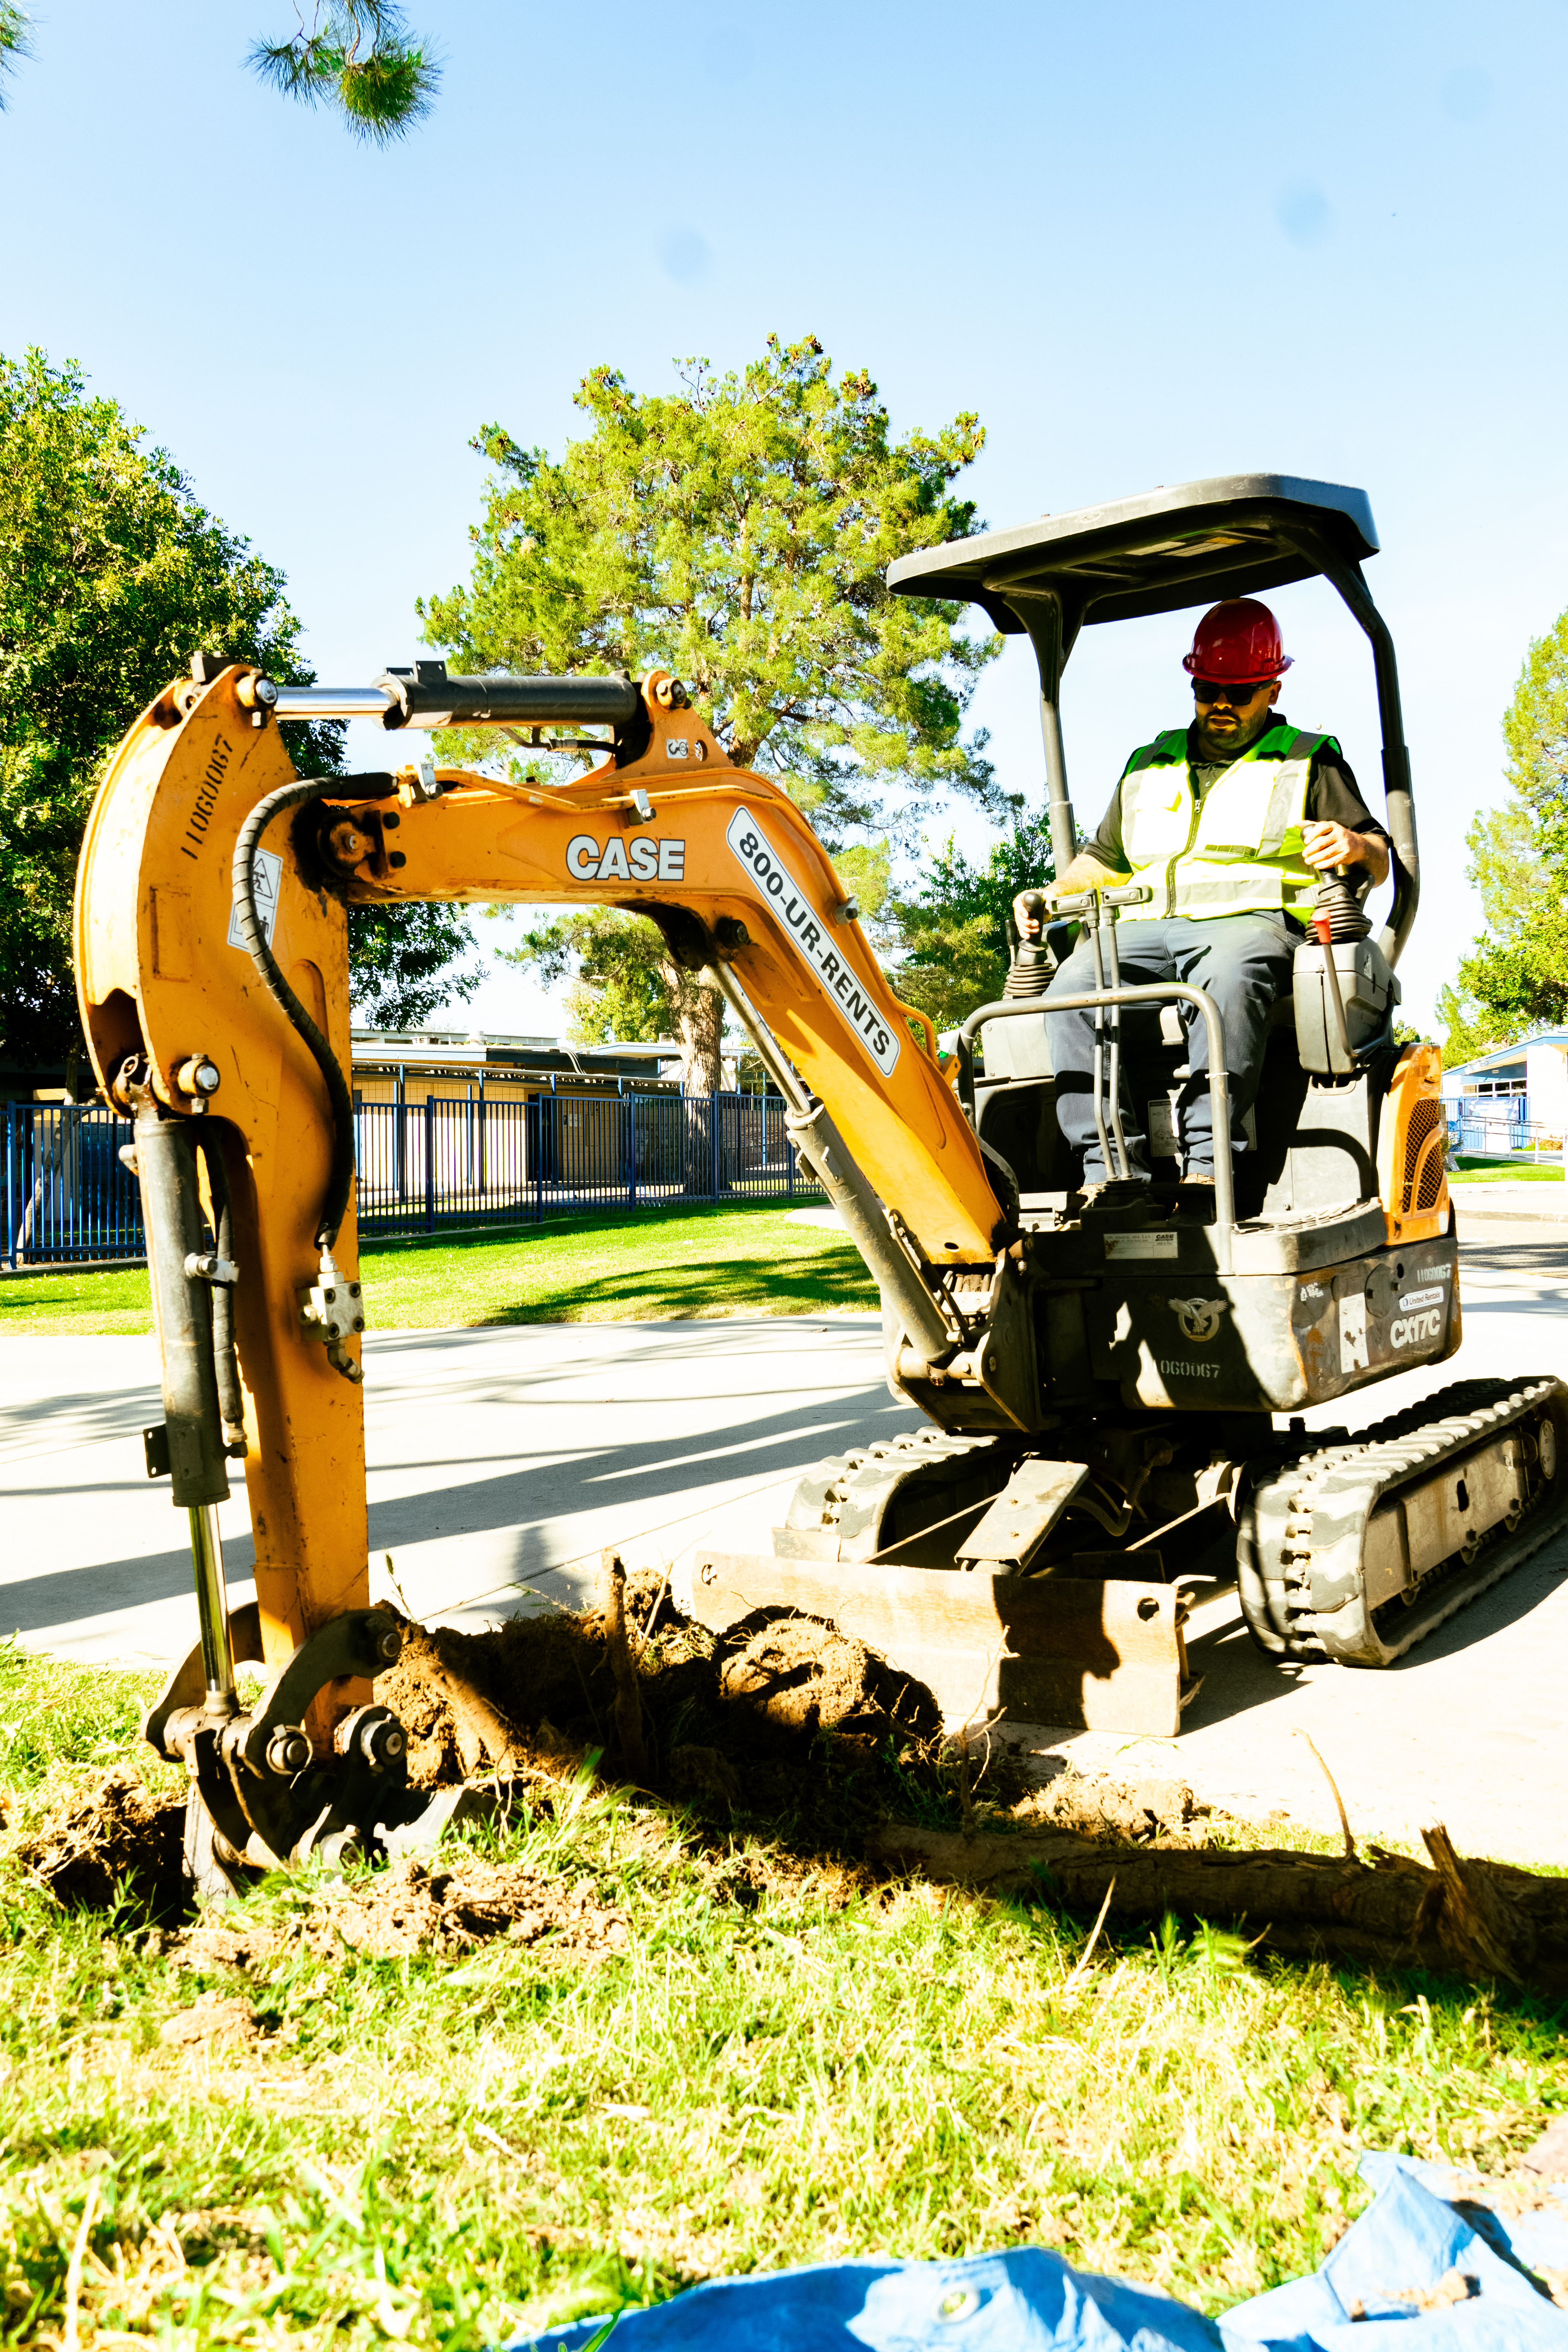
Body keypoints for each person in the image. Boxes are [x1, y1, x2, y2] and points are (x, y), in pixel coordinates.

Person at [1016, 597, 1390, 1217]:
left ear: (1271, 689)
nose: (1221, 704)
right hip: (1144, 928)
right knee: (1073, 987)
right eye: (1207, 689)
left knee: (1226, 980)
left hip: (1253, 927)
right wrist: (1051, 896)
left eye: (1238, 693)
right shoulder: (1148, 764)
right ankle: (1111, 1176)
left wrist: (1356, 846)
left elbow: (1378, 853)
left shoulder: (1307, 758)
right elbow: (1102, 861)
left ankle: (1210, 1168)